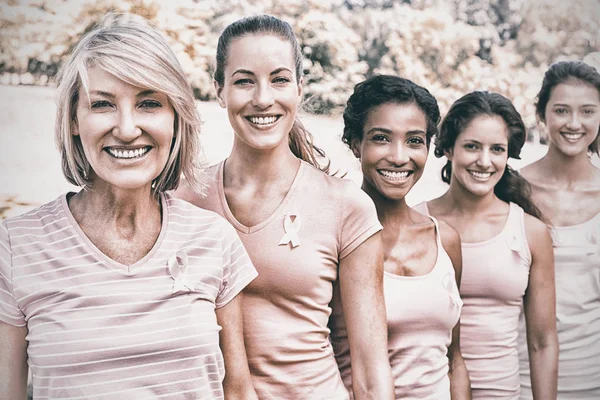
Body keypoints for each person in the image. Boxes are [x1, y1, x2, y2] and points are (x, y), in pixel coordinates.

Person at [0, 13, 258, 400]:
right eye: (102, 104)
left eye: (149, 103)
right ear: (74, 119)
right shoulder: (16, 245)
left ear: (176, 118)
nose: (125, 128)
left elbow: (238, 390)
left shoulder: (213, 238)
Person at [175, 14, 393, 400]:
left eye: (279, 79)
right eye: (244, 81)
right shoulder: (182, 199)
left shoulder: (346, 206)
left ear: (299, 88)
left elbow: (371, 369)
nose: (263, 98)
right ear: (219, 91)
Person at [329, 74, 471, 399]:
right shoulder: (332, 240)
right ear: (354, 143)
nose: (398, 156)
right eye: (381, 138)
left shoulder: (444, 238)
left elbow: (454, 359)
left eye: (414, 140)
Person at [415, 91, 558, 399]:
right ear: (448, 148)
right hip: (429, 391)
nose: (484, 161)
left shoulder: (530, 232)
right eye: (471, 146)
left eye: (497, 149)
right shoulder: (415, 223)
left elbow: (542, 341)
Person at [517, 60, 600, 399]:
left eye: (588, 111)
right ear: (542, 114)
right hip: (517, 375)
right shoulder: (510, 189)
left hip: (593, 376)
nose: (574, 123)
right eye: (562, 110)